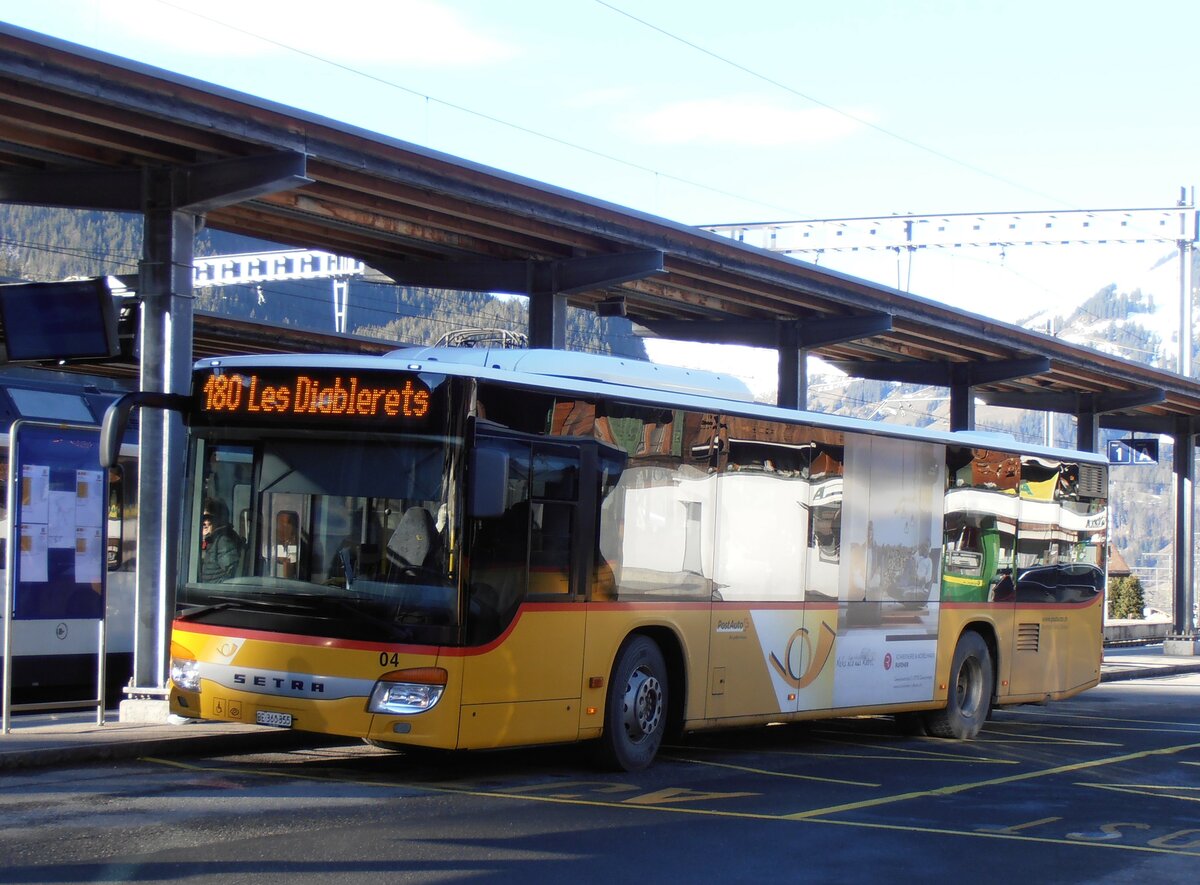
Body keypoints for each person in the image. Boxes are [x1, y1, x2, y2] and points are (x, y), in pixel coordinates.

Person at [200, 499, 242, 582]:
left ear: (219, 519)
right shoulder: (212, 540)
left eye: (208, 518)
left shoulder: (223, 541)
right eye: (202, 518)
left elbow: (233, 575)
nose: (204, 523)